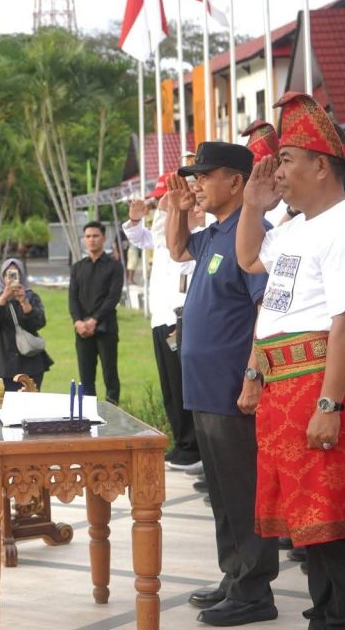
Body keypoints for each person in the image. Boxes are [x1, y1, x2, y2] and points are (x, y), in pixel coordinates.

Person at [236, 91, 345, 629]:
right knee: (308, 523)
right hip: (284, 389)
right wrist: (253, 206)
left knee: (338, 520)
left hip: (320, 385)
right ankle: (325, 616)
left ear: (322, 166)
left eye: (287, 160)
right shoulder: (297, 227)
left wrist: (329, 404)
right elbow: (249, 259)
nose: (277, 172)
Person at [165, 141, 278, 627]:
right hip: (206, 388)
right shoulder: (214, 233)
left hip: (234, 389)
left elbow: (265, 311)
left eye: (205, 176)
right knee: (222, 491)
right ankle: (234, 576)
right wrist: (177, 208)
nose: (198, 184)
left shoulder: (251, 233)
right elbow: (176, 250)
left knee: (244, 490)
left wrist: (254, 375)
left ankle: (254, 591)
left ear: (236, 181)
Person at [124, 176, 200, 469]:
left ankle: (193, 447)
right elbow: (140, 236)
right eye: (159, 200)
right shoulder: (163, 233)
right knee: (170, 387)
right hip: (161, 318)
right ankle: (183, 443)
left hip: (181, 320)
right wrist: (136, 218)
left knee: (184, 386)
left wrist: (178, 211)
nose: (161, 204)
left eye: (164, 199)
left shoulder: (197, 232)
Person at [68, 221, 123, 404]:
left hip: (106, 328)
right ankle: (89, 413)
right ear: (84, 239)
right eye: (88, 236)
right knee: (85, 376)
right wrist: (78, 322)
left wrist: (94, 320)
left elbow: (113, 298)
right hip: (82, 330)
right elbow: (72, 298)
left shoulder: (114, 266)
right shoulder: (78, 267)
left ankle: (112, 411)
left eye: (95, 236)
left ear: (104, 238)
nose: (92, 240)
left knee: (110, 374)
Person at [0, 258, 53, 392]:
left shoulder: (31, 296)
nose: (11, 278)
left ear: (22, 276)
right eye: (8, 274)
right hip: (1, 358)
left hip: (29, 360)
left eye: (16, 274)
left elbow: (39, 322)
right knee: (2, 400)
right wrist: (3, 298)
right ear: (3, 277)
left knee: (29, 400)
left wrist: (24, 301)